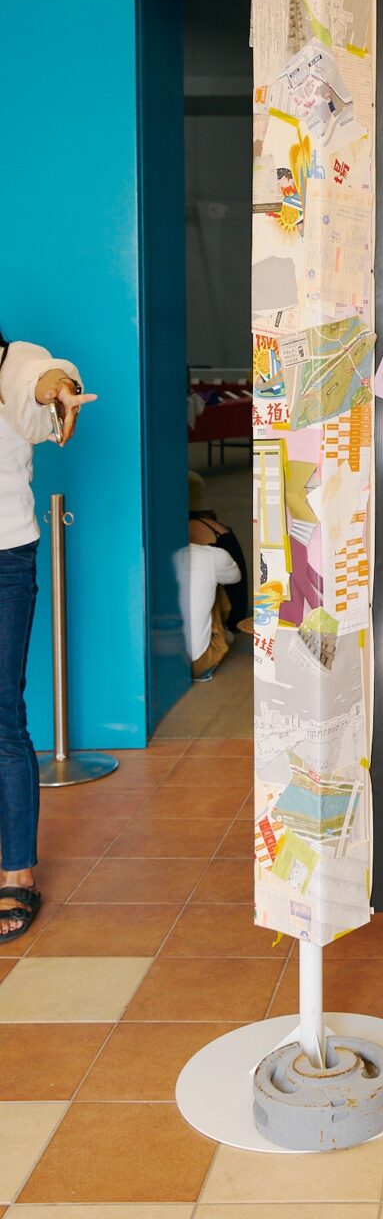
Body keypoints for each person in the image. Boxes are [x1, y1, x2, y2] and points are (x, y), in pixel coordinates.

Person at [0, 332, 96, 943]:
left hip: (4, 556)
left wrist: (59, 389)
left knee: (2, 718)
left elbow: (43, 378)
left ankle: (17, 872)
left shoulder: (14, 361)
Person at [179, 474, 244, 682]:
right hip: (199, 661)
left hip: (162, 656)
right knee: (214, 583)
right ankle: (219, 636)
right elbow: (236, 578)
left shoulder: (156, 556)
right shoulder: (215, 550)